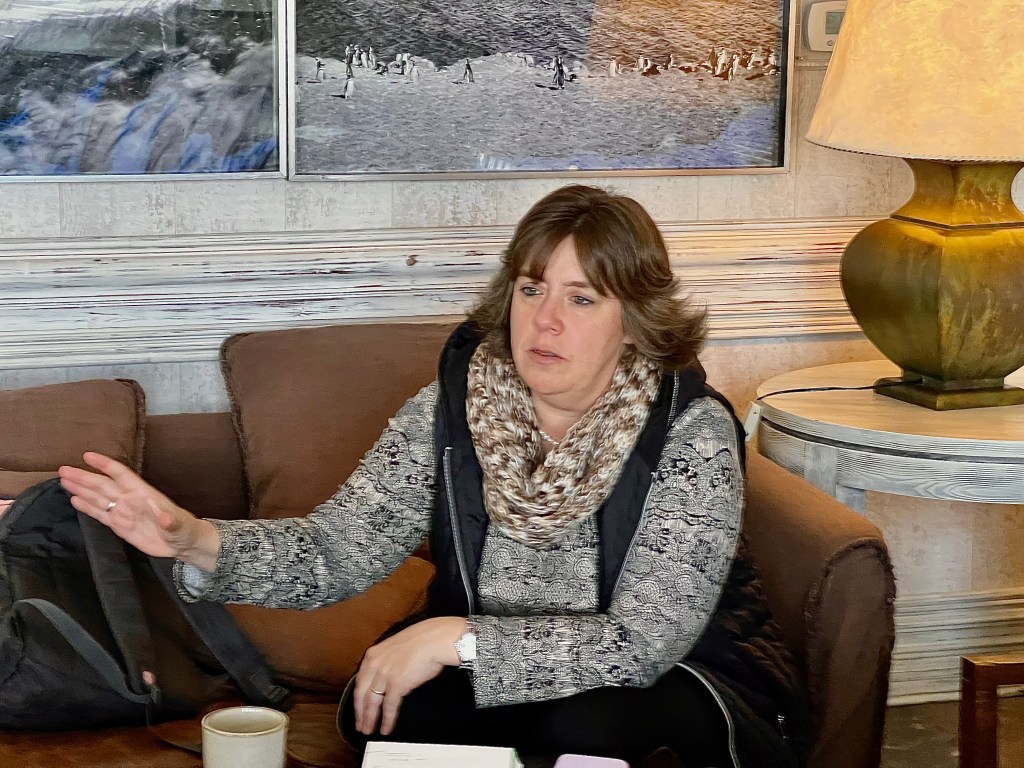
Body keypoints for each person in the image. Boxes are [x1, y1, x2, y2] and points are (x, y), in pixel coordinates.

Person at [53, 185, 809, 768]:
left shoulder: (690, 432)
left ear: (636, 320)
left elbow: (640, 643)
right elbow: (336, 550)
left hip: (682, 673)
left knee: (587, 723)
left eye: (582, 299)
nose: (545, 320)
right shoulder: (451, 408)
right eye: (532, 289)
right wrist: (193, 539)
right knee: (386, 713)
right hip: (498, 662)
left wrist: (457, 639)